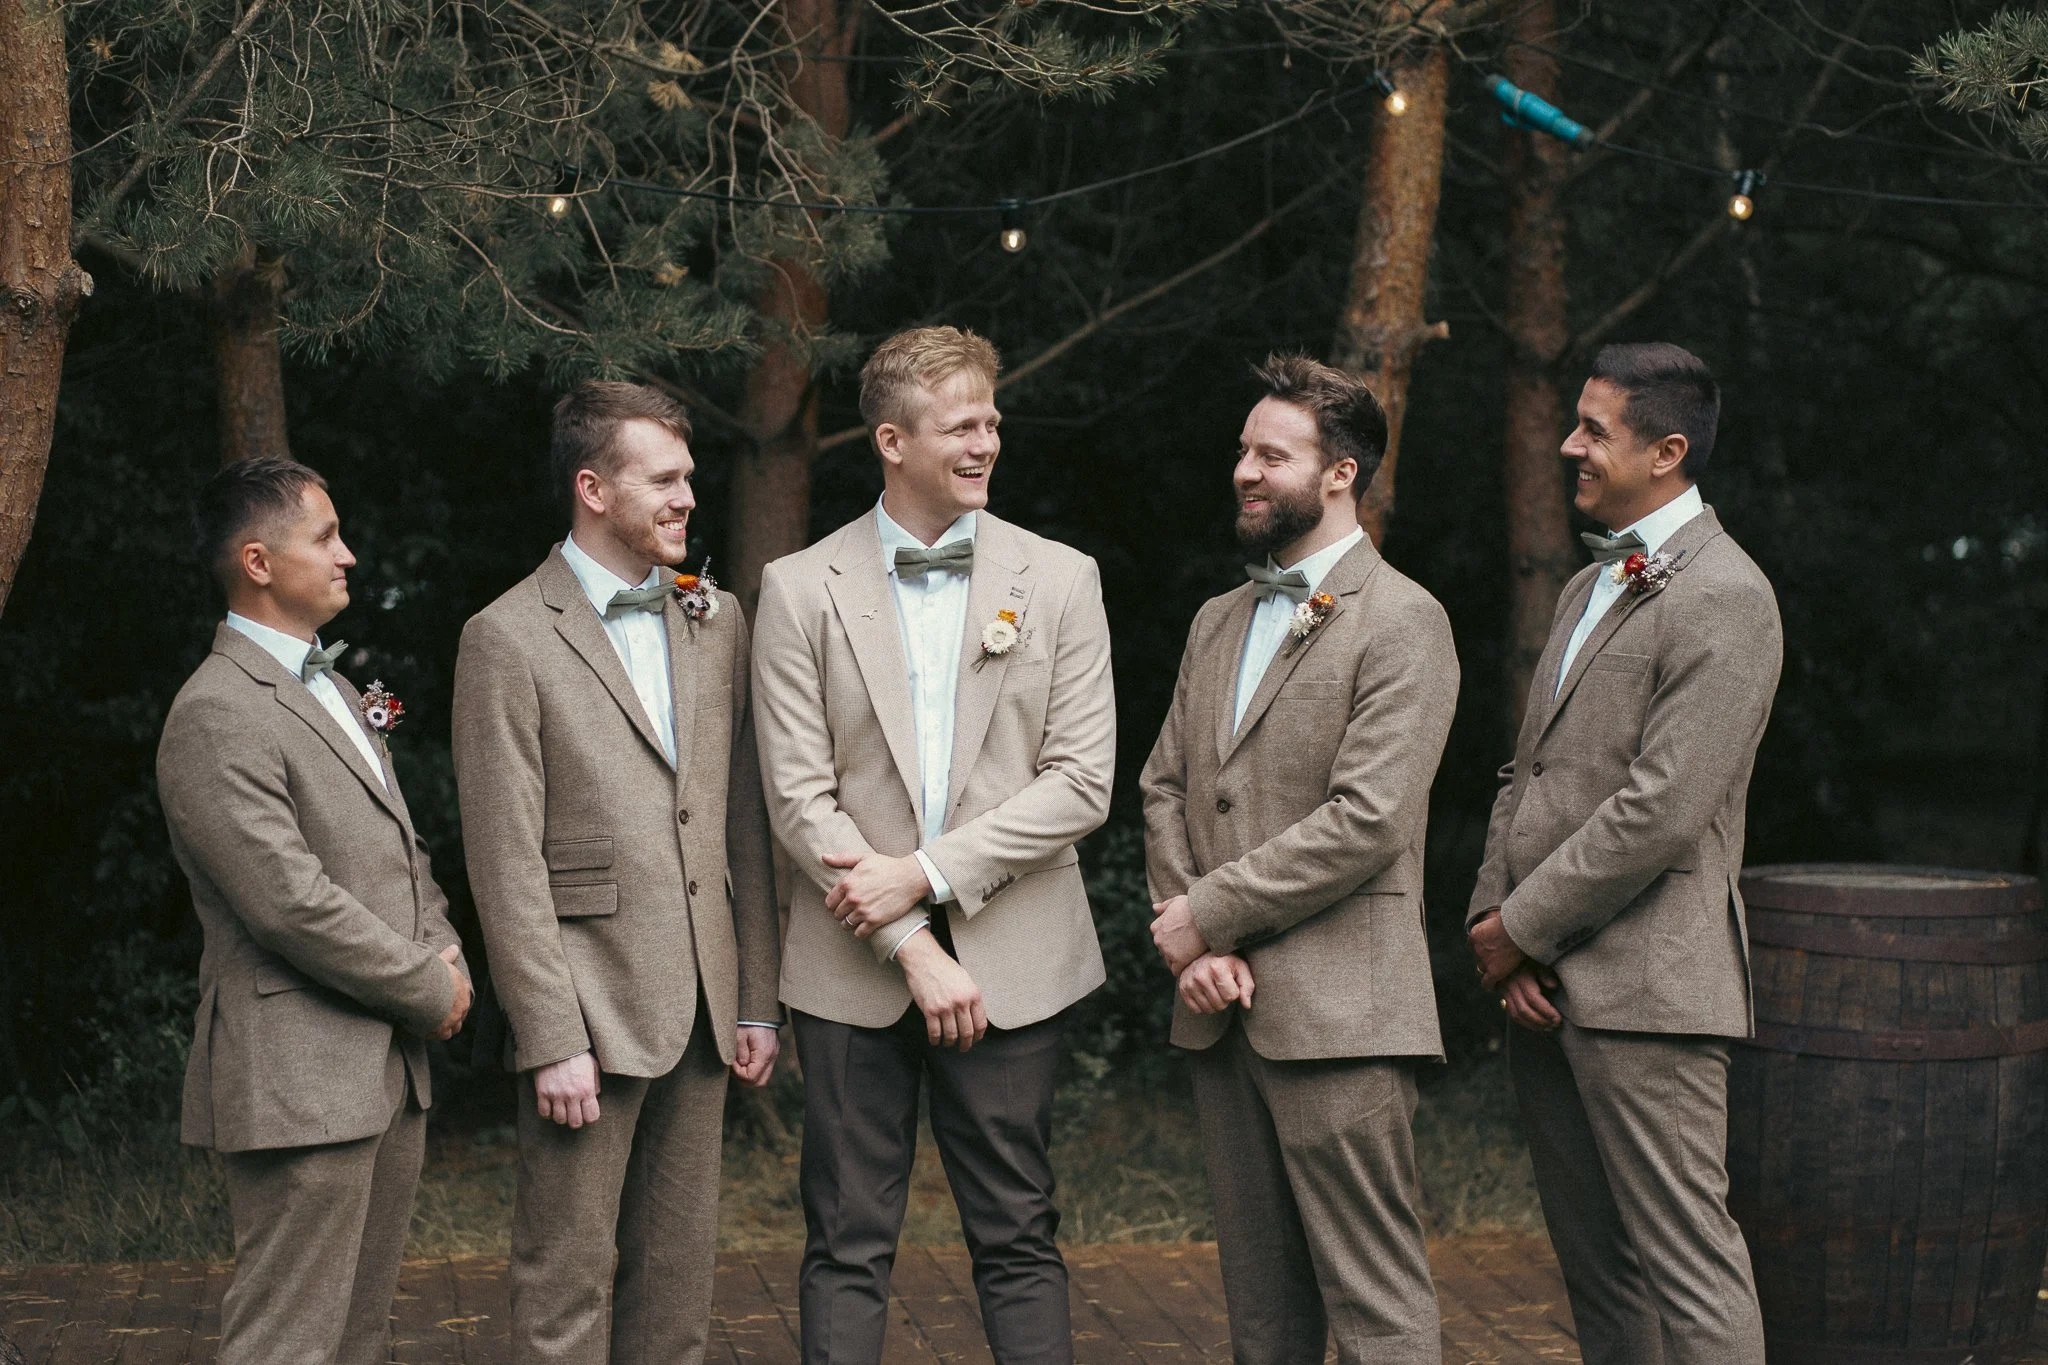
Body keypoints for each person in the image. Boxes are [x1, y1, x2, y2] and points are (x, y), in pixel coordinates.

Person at [750, 325, 1116, 1365]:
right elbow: (796, 796)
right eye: (960, 425)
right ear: (889, 441)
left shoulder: (1059, 579)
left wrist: (921, 873)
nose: (985, 442)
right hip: (850, 961)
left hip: (1016, 954)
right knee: (846, 1242)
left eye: (992, 421)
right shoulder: (799, 588)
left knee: (1016, 1234)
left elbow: (1081, 782)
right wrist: (909, 938)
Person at [452, 381, 781, 1365]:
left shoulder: (711, 620)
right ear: (591, 488)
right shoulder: (504, 637)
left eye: (690, 476)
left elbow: (742, 826)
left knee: (678, 1290)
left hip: (703, 1009)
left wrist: (755, 999)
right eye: (664, 479)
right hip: (586, 1017)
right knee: (562, 1288)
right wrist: (551, 1035)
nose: (688, 496)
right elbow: (503, 860)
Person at [1139, 354, 1459, 1365]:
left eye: (1269, 455)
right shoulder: (1215, 621)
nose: (1242, 469)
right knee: (1261, 1315)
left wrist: (1211, 913)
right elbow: (1163, 787)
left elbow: (1365, 820)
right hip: (1219, 1010)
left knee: (1375, 1309)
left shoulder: (1403, 620)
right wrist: (1189, 947)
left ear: (1339, 475)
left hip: (1341, 1018)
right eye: (1242, 450)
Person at [1466, 342, 1779, 1365]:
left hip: (1651, 987)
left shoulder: (1725, 595)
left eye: (1593, 429)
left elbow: (1659, 811)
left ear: (1668, 451)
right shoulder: (1584, 585)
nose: (1568, 445)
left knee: (1686, 1266)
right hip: (1545, 982)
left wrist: (1520, 928)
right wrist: (1495, 926)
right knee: (1598, 1272)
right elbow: (1528, 773)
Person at [157, 455, 471, 1365]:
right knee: (286, 1344)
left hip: (383, 1070)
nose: (350, 556)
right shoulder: (215, 710)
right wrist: (426, 985)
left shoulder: (337, 689)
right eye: (326, 537)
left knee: (357, 1340)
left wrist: (446, 950)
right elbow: (286, 902)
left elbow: (401, 852)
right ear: (257, 561)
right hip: (297, 1078)